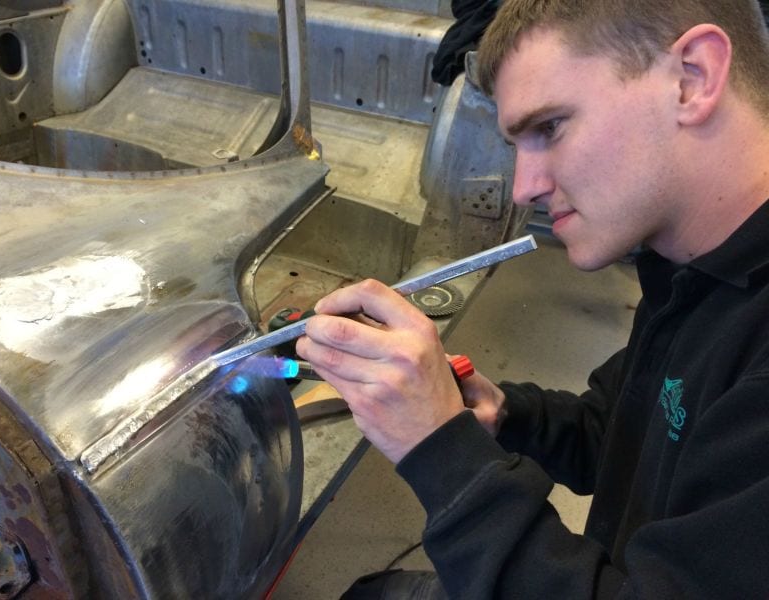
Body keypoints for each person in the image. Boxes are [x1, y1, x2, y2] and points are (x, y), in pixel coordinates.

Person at [295, 0, 769, 597]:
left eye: (550, 128)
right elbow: (624, 432)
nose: (525, 187)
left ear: (692, 77)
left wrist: (440, 448)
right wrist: (505, 414)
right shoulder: (693, 266)